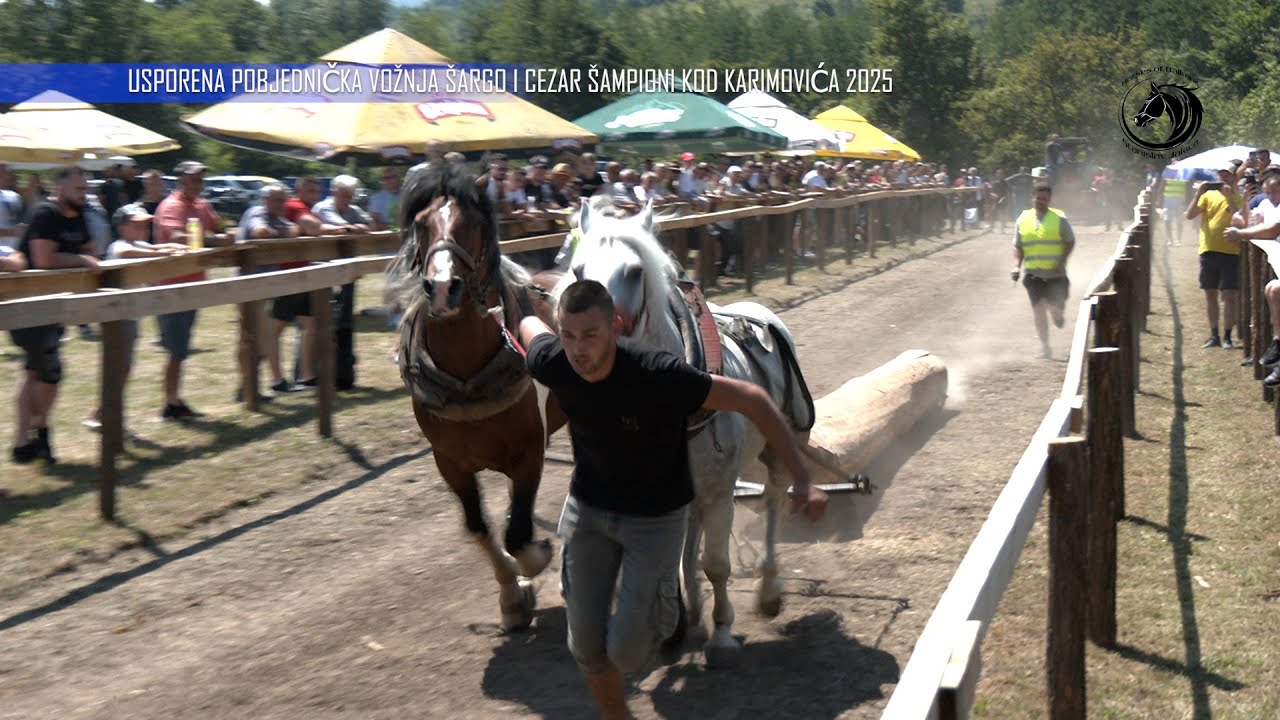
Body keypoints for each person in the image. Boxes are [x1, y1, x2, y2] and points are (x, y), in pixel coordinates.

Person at [518, 279, 828, 720]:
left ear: (617, 327)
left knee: (626, 652)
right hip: (588, 512)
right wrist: (512, 315)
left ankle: (666, 611)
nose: (578, 349)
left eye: (590, 335)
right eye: (568, 335)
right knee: (584, 647)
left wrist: (800, 475)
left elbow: (753, 398)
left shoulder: (657, 374)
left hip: (654, 520)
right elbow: (531, 328)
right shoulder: (556, 360)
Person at [10, 166, 99, 463]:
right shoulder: (45, 213)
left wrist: (84, 258)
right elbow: (43, 259)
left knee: (34, 371)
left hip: (55, 305)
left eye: (85, 189)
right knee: (50, 372)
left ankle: (24, 443)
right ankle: (41, 429)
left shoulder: (80, 215)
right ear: (59, 188)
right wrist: (80, 259)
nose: (84, 194)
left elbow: (91, 250)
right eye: (78, 189)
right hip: (26, 304)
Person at [83, 203, 188, 430]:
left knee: (123, 367)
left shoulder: (139, 244)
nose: (142, 229)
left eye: (144, 225)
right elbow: (124, 253)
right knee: (119, 367)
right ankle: (105, 415)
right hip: (117, 316)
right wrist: (159, 252)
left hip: (129, 316)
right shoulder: (119, 245)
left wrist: (172, 247)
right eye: (136, 225)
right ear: (121, 228)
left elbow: (160, 246)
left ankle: (104, 412)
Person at [152, 161, 233, 419]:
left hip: (192, 283)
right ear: (181, 180)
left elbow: (218, 226)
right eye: (194, 179)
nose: (199, 184)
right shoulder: (172, 206)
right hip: (171, 285)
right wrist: (214, 240)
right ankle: (170, 403)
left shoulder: (201, 204)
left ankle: (173, 400)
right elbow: (176, 237)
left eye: (200, 179)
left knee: (180, 349)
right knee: (176, 350)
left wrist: (227, 233)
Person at [1012, 182, 1076, 359]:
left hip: (1056, 275)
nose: (1040, 201)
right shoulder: (1022, 219)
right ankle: (1045, 347)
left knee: (1055, 311)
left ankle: (1058, 314)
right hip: (1033, 274)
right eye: (1038, 198)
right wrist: (1017, 266)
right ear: (1032, 197)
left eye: (1044, 199)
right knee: (1039, 309)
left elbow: (1070, 242)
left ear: (1049, 200)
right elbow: (1018, 246)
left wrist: (1062, 261)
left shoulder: (1060, 219)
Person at [1185, 164, 1241, 349]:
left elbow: (1237, 219)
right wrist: (1198, 193)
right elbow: (1189, 215)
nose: (1224, 179)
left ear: (1234, 178)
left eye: (1228, 176)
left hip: (1231, 252)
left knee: (1229, 295)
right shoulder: (1208, 196)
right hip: (1208, 250)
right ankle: (1214, 335)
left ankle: (1227, 337)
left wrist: (1229, 197)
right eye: (1222, 175)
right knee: (1210, 294)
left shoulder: (1239, 198)